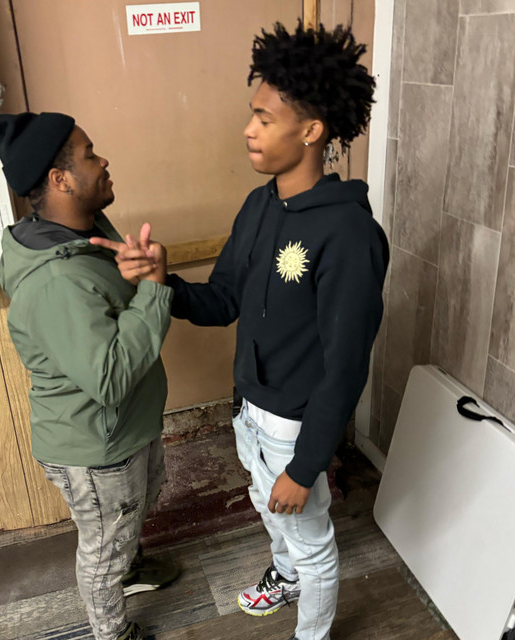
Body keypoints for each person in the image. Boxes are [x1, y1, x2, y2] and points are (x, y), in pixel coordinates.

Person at [91, 22, 389, 640]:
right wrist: (164, 282)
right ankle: (285, 576)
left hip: (295, 424)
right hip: (248, 405)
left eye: (264, 118)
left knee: (310, 537)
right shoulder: (259, 206)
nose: (249, 129)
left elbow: (345, 367)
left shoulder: (349, 235)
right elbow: (224, 300)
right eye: (252, 115)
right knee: (265, 505)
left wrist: (306, 466)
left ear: (311, 131)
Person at [0, 112, 178, 640]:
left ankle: (130, 567)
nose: (103, 159)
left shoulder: (82, 235)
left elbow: (110, 316)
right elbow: (109, 378)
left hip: (123, 429)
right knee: (103, 549)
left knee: (135, 508)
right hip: (96, 449)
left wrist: (137, 278)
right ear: (59, 179)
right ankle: (113, 632)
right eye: (90, 153)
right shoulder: (56, 280)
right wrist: (154, 289)